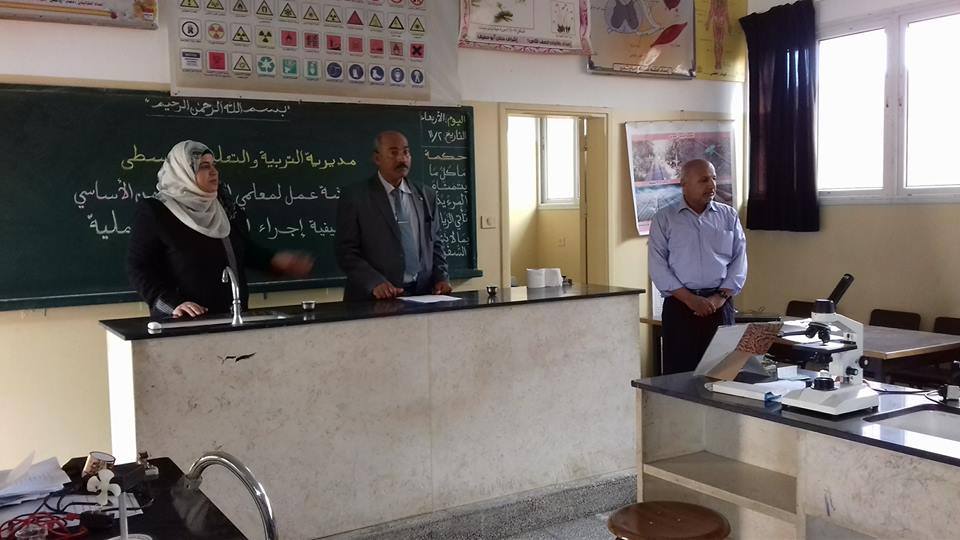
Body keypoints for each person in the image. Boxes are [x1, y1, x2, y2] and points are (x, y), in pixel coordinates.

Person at [128, 140, 313, 318]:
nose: (213, 172)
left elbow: (242, 250)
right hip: (182, 321)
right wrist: (173, 303)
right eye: (203, 166)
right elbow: (138, 267)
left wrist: (274, 261)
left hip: (231, 316)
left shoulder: (224, 206)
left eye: (213, 165)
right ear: (183, 172)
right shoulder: (156, 211)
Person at [648, 159, 747, 374]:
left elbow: (739, 261)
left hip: (719, 306)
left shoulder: (728, 216)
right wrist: (690, 300)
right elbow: (658, 267)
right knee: (679, 376)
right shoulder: (664, 219)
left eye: (714, 178)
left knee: (721, 374)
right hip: (681, 308)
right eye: (703, 180)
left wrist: (719, 298)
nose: (711, 185)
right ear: (684, 184)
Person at [335, 130, 451, 301]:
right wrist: (374, 282)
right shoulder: (356, 196)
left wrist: (441, 277)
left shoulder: (426, 195)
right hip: (373, 298)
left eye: (406, 152)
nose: (402, 159)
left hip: (422, 295)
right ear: (377, 158)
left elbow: (435, 243)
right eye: (394, 153)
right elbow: (346, 251)